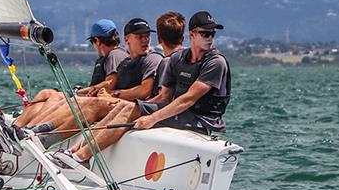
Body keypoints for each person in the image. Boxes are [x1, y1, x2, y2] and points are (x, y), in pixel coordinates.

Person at [63, 10, 231, 164]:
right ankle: (74, 151)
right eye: (205, 33)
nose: (210, 38)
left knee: (131, 110)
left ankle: (81, 156)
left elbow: (187, 100)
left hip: (200, 120)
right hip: (180, 113)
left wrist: (151, 118)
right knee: (126, 107)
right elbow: (163, 97)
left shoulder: (216, 62)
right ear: (192, 35)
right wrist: (138, 106)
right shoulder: (178, 59)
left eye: (212, 34)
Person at [28, 18, 162, 145]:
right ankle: (34, 130)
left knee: (85, 103)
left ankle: (45, 139)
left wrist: (111, 94)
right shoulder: (125, 62)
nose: (145, 40)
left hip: (130, 107)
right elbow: (110, 84)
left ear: (96, 40)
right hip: (117, 102)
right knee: (68, 99)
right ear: (127, 39)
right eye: (140, 37)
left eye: (147, 37)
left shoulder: (149, 58)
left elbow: (143, 90)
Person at [14, 19, 127, 128]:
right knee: (45, 93)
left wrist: (78, 92)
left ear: (97, 40)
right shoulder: (109, 56)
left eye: (93, 42)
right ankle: (18, 126)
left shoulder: (115, 55)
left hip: (96, 102)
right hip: (91, 97)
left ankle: (31, 128)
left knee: (56, 96)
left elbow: (110, 83)